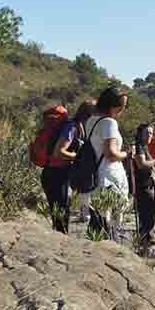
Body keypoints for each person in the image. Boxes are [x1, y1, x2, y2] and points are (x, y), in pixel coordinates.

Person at [41, 100, 95, 234]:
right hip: (56, 175)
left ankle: (59, 242)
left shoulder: (77, 127)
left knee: (61, 214)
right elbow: (59, 152)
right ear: (88, 116)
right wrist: (78, 157)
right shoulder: (72, 127)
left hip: (58, 174)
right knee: (60, 215)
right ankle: (60, 246)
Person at [85, 87, 130, 236]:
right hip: (108, 177)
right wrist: (126, 154)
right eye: (121, 106)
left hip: (94, 175)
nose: (122, 110)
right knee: (106, 224)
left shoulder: (91, 120)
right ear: (112, 105)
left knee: (97, 220)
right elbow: (110, 153)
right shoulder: (109, 123)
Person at [133, 123, 155, 249]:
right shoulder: (139, 147)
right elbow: (141, 164)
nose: (150, 135)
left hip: (148, 184)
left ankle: (147, 237)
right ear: (140, 134)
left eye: (151, 133)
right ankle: (144, 238)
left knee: (152, 210)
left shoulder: (144, 147)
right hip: (142, 186)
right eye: (147, 133)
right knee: (152, 209)